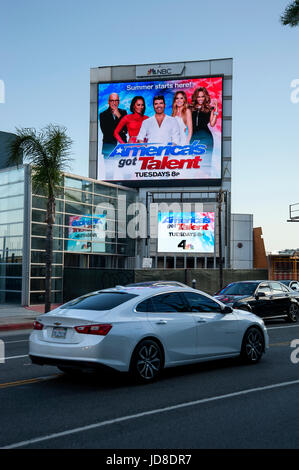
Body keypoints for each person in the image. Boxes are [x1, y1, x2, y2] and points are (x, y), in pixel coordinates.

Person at [190, 87, 219, 157]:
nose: (200, 99)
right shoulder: (191, 108)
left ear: (205, 97)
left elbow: (212, 124)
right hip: (193, 137)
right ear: (195, 98)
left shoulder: (209, 109)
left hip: (206, 137)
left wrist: (216, 109)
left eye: (202, 96)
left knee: (206, 162)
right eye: (198, 97)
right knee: (193, 162)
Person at [99, 93, 127, 158]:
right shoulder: (103, 115)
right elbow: (106, 132)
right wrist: (121, 130)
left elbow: (126, 129)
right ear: (108, 102)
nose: (114, 103)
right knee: (109, 168)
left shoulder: (123, 113)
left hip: (122, 147)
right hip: (108, 148)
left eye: (116, 100)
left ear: (119, 102)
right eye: (112, 101)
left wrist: (119, 116)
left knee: (125, 168)